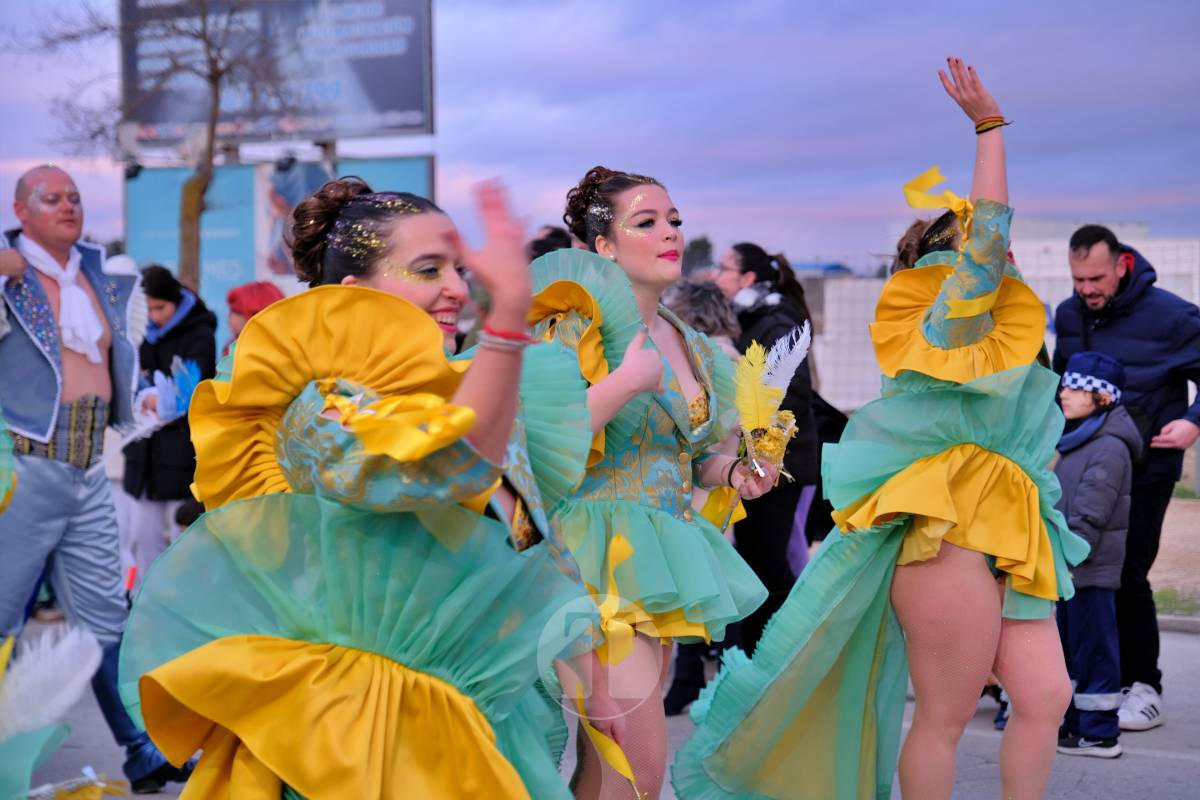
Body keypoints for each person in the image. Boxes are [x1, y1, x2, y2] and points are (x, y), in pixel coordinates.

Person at [674, 58, 1086, 800]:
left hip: (1013, 521)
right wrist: (989, 128)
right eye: (986, 250)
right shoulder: (947, 323)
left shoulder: (1013, 333)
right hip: (945, 530)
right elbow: (988, 238)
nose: (1006, 256)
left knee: (1047, 695)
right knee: (946, 715)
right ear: (952, 266)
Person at [118, 177, 600, 799]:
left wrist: (589, 671)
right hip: (354, 734)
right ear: (353, 293)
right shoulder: (318, 408)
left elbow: (529, 544)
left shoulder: (461, 395)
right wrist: (506, 325)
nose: (457, 288)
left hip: (467, 718)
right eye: (428, 269)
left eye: (459, 268)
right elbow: (448, 465)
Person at [533, 166, 773, 799]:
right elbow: (540, 438)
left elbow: (689, 460)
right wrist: (623, 383)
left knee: (610, 770)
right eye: (646, 222)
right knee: (635, 768)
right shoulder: (574, 326)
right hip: (593, 558)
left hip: (663, 559)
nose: (669, 233)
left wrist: (735, 472)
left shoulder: (691, 342)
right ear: (603, 246)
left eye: (674, 220)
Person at [0, 165, 187, 793]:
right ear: (21, 211)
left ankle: (141, 751)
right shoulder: (9, 273)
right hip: (22, 469)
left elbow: (115, 361)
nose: (68, 206)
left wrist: (145, 402)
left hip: (84, 472)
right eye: (51, 198)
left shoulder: (99, 276)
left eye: (74, 197)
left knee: (107, 620)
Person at [1053, 224, 1200, 731]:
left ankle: (1144, 685)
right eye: (1078, 280)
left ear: (1122, 265)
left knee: (1129, 572)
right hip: (1083, 467)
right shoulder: (1069, 314)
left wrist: (1194, 422)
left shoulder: (1173, 316)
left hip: (1148, 469)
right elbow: (1060, 383)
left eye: (1096, 278)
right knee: (1086, 574)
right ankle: (1100, 681)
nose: (1086, 289)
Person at [712, 243, 820, 655]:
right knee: (758, 561)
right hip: (758, 463)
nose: (717, 276)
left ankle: (781, 655)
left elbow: (794, 393)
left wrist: (743, 407)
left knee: (768, 565)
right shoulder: (753, 319)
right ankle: (766, 656)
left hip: (779, 466)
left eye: (724, 268)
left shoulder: (775, 322)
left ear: (748, 279)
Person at [1054, 352, 1142, 759]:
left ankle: (1101, 733)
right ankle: (1076, 727)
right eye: (1066, 385)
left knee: (1094, 652)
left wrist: (1069, 559)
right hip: (1074, 569)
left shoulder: (1108, 446)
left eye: (1076, 388)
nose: (1064, 393)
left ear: (1102, 397)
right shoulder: (1081, 438)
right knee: (1075, 651)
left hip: (1087, 568)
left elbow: (1091, 512)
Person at [122, 265, 217, 589]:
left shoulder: (199, 332)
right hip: (144, 453)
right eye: (147, 309)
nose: (154, 316)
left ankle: (185, 601)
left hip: (182, 453)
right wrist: (142, 396)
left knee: (184, 537)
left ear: (175, 300)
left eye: (159, 308)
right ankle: (146, 599)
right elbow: (127, 378)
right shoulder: (138, 331)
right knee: (142, 536)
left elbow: (194, 388)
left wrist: (166, 399)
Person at [223, 279, 284, 355]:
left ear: (255, 314)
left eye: (234, 310)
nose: (228, 315)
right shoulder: (232, 349)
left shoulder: (277, 355)